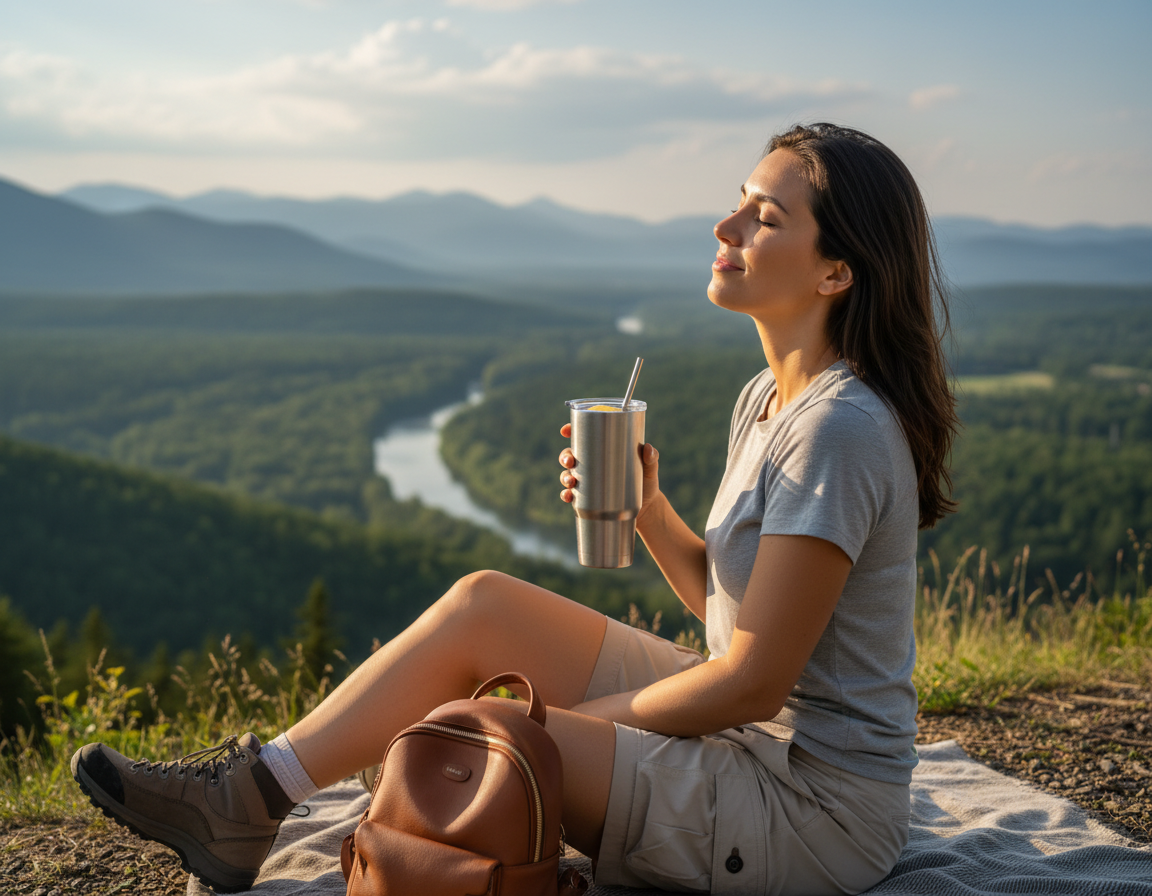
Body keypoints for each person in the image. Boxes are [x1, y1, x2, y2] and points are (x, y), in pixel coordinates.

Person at [72, 122, 957, 895]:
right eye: (738, 202)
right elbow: (729, 617)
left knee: (486, 739)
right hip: (750, 735)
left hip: (808, 804)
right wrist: (649, 510)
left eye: (764, 218)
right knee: (483, 603)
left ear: (837, 269)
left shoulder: (837, 428)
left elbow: (752, 680)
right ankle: (250, 798)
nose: (724, 227)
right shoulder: (766, 396)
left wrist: (555, 728)